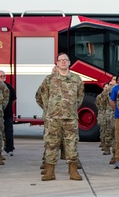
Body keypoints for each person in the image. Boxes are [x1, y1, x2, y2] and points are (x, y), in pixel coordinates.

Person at [35, 53, 85, 181]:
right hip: (53, 119)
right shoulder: (49, 79)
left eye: (65, 60)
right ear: (56, 63)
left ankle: (73, 171)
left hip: (70, 118)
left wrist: (71, 108)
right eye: (60, 60)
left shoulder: (76, 79)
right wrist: (49, 109)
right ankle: (50, 172)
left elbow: (80, 98)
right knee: (51, 145)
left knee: (72, 144)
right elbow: (41, 96)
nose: (63, 62)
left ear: (69, 63)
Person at [0, 70, 16, 156]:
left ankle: (9, 148)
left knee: (8, 132)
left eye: (4, 76)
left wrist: (7, 107)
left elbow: (14, 99)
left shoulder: (9, 87)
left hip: (7, 114)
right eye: (1, 76)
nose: (3, 78)